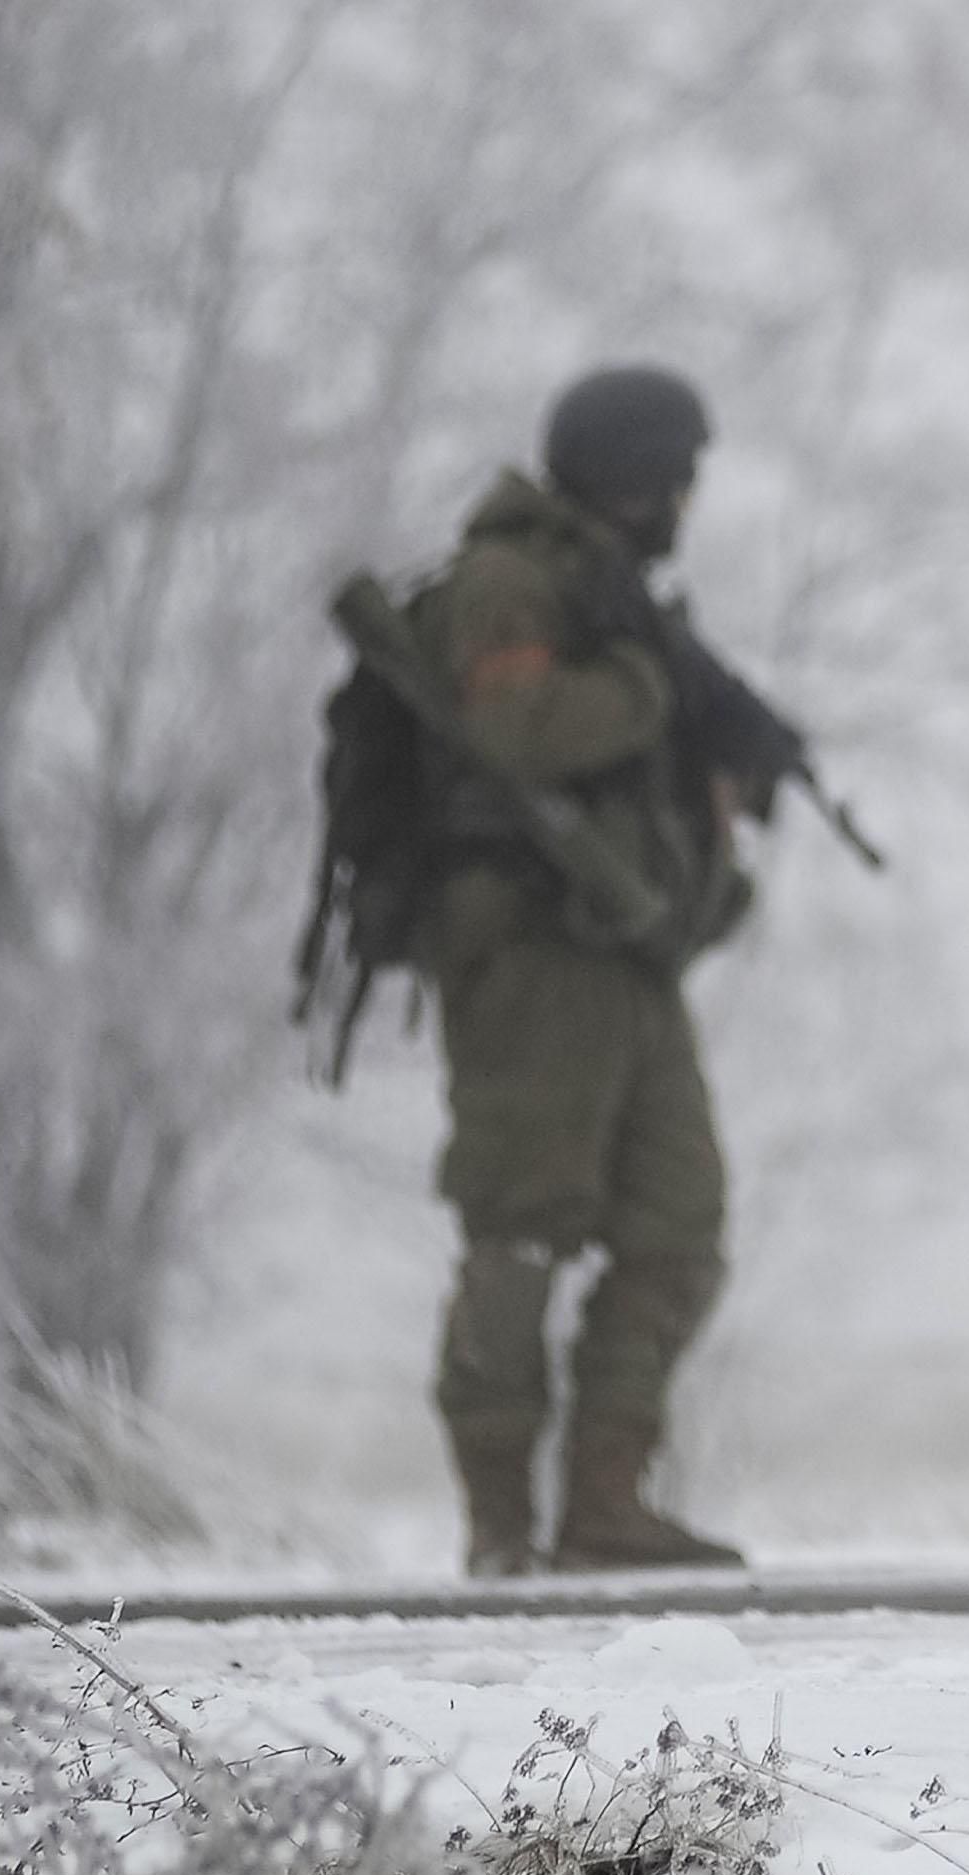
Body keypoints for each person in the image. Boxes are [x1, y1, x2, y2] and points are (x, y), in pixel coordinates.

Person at [413, 365, 756, 1576]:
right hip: (531, 955)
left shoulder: (617, 598)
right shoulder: (511, 581)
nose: (687, 501)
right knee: (523, 1227)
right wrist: (653, 687)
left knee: (679, 1226)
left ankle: (605, 1504)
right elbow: (518, 731)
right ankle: (503, 1527)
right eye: (676, 476)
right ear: (631, 473)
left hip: (629, 959)